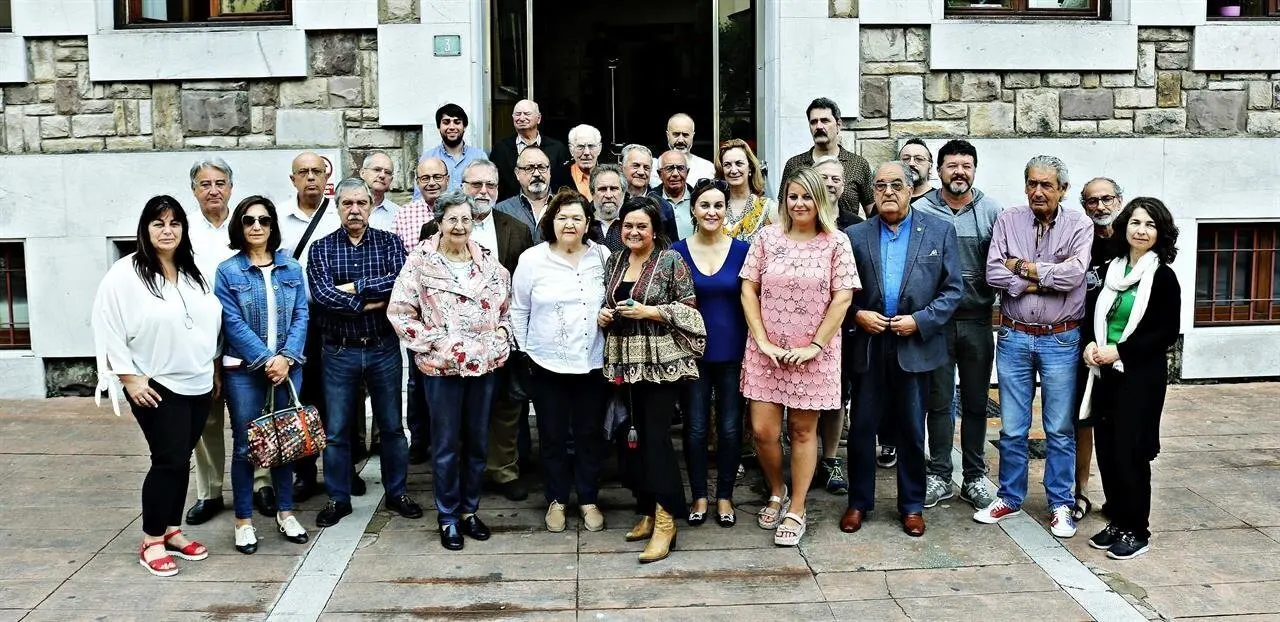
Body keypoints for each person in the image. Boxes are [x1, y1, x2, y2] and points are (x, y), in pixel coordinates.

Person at [92, 195, 222, 577]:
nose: (167, 231)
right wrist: (128, 377)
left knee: (182, 458)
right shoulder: (126, 273)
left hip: (198, 381)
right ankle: (151, 540)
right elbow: (107, 324)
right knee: (168, 460)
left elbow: (210, 322)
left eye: (174, 223)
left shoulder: (192, 270)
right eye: (158, 224)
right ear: (145, 229)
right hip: (155, 383)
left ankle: (171, 530)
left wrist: (214, 369)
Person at [841, 163, 963, 538]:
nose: (888, 192)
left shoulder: (939, 231)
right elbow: (838, 290)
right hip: (869, 343)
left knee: (912, 428)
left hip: (915, 343)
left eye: (896, 185)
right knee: (862, 428)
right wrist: (857, 315)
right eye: (880, 186)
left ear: (911, 190)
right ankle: (858, 502)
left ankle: (911, 505)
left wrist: (921, 321)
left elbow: (953, 290)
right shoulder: (855, 235)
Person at [389, 190, 514, 551]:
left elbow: (506, 310)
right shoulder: (420, 261)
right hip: (441, 368)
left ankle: (469, 511)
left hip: (484, 366)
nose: (459, 226)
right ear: (439, 222)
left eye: (466, 219)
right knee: (445, 445)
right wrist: (438, 344)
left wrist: (501, 337)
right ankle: (447, 517)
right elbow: (400, 313)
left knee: (477, 442)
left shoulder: (489, 263)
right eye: (452, 219)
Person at [976, 156, 1092, 540]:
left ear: (1063, 189)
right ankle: (1009, 497)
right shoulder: (1008, 219)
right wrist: (1043, 278)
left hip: (1061, 338)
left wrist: (1023, 269)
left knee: (1059, 428)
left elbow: (1074, 275)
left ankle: (1060, 503)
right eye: (1032, 184)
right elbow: (993, 271)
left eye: (1046, 185)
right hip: (1014, 336)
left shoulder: (1079, 224)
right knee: (1013, 427)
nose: (1038, 191)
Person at [741, 168, 858, 547]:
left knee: (803, 431)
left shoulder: (836, 243)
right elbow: (748, 289)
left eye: (807, 196)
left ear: (819, 200)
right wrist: (762, 340)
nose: (799, 203)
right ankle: (777, 489)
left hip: (813, 355)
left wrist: (815, 346)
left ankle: (798, 507)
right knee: (763, 431)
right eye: (793, 196)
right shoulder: (767, 237)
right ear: (784, 200)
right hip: (766, 352)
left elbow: (843, 297)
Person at [308, 178, 422, 528]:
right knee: (337, 430)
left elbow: (400, 283)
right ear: (337, 207)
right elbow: (322, 295)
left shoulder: (390, 242)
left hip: (382, 348)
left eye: (361, 203)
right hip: (339, 351)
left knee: (392, 427)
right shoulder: (321, 248)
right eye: (347, 203)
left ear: (371, 206)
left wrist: (354, 288)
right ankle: (338, 498)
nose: (355, 210)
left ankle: (397, 493)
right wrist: (369, 302)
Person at [598, 196, 706, 563]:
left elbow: (689, 309)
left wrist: (650, 311)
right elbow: (609, 301)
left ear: (655, 230)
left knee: (657, 439)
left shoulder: (671, 260)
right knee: (632, 440)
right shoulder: (614, 261)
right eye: (628, 226)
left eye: (641, 226)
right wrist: (604, 315)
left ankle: (666, 519)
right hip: (623, 362)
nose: (633, 231)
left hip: (660, 364)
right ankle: (645, 507)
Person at [428, 159, 535, 502]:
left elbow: (522, 286)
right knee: (458, 415)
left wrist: (508, 334)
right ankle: (460, 477)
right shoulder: (435, 230)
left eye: (490, 185)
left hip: (499, 340)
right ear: (462, 187)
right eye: (475, 185)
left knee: (506, 407)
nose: (483, 191)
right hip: (451, 349)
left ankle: (503, 470)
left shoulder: (516, 229)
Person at [1080, 197, 1181, 560]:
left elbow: (1165, 332)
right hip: (1104, 373)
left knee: (1131, 452)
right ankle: (1118, 521)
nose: (1141, 230)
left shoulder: (1163, 277)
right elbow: (1091, 314)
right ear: (1124, 227)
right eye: (1136, 223)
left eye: (1150, 225)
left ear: (1160, 233)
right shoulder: (1111, 270)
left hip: (1139, 378)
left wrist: (1120, 351)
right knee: (1108, 451)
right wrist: (1091, 345)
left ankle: (1137, 530)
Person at [214, 195, 310, 554]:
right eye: (249, 220)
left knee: (284, 442)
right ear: (239, 226)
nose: (257, 226)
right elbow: (232, 322)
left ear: (273, 226)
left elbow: (301, 314)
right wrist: (268, 360)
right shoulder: (228, 271)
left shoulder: (291, 268)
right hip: (244, 371)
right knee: (245, 445)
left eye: (264, 220)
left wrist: (286, 358)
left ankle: (286, 513)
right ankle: (243, 521)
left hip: (288, 368)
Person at [511, 187, 611, 533]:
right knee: (552, 435)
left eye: (577, 218)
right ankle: (556, 499)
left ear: (587, 222)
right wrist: (527, 352)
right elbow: (519, 310)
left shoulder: (602, 255)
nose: (569, 224)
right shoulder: (532, 259)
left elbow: (610, 300)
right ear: (551, 221)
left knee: (588, 434)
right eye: (562, 217)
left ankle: (588, 499)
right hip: (546, 364)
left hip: (592, 362)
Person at [914, 139, 1003, 511]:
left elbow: (1002, 263)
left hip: (976, 321)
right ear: (939, 170)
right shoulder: (921, 209)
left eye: (966, 166)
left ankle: (974, 476)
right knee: (938, 401)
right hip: (936, 324)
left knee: (976, 402)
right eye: (952, 165)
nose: (959, 172)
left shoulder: (992, 211)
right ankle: (938, 474)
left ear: (975, 170)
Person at [184, 157, 269, 525]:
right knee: (207, 418)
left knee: (255, 414)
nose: (213, 190)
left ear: (231, 188)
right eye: (205, 184)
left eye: (220, 183)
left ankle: (262, 483)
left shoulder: (246, 224)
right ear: (194, 191)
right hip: (201, 336)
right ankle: (210, 491)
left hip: (247, 335)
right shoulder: (185, 230)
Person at [672, 180, 750, 527]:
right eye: (705, 205)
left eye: (718, 205)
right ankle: (700, 495)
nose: (712, 212)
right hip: (692, 353)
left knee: (731, 428)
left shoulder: (743, 250)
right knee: (695, 428)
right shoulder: (676, 251)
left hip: (734, 352)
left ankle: (725, 496)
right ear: (693, 209)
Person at [279, 152, 345, 503]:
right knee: (301, 396)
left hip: (333, 315)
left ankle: (342, 472)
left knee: (338, 395)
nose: (310, 178)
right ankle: (304, 473)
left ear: (326, 176)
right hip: (294, 319)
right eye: (303, 172)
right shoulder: (278, 217)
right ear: (293, 179)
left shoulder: (338, 214)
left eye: (316, 172)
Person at [1073, 176, 1124, 522]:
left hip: (1119, 350)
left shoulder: (1132, 242)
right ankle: (1081, 492)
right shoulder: (1080, 241)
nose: (1100, 206)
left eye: (1106, 199)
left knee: (1117, 425)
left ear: (1119, 201)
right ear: (1084, 206)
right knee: (1083, 421)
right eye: (1092, 201)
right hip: (1082, 345)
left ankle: (1118, 496)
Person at [778, 97, 874, 229]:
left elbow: (872, 213)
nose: (818, 126)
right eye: (813, 122)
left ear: (838, 125)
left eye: (825, 121)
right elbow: (783, 212)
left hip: (848, 235)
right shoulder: (795, 165)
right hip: (804, 235)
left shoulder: (858, 164)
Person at [490, 99, 570, 201]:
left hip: (550, 205)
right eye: (518, 114)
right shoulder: (501, 148)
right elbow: (494, 182)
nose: (522, 118)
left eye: (527, 114)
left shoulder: (557, 148)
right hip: (511, 207)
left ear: (538, 118)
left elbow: (563, 184)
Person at [717, 138, 776, 243]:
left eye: (739, 163)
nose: (733, 170)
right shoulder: (714, 207)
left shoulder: (769, 208)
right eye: (727, 165)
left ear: (750, 167)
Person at [620, 143, 679, 242]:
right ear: (621, 167)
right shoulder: (612, 199)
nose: (641, 172)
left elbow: (672, 245)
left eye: (646, 168)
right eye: (636, 166)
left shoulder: (663, 207)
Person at [495, 145, 553, 242]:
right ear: (517, 173)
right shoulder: (502, 210)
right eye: (529, 168)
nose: (537, 174)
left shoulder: (564, 206)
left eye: (542, 167)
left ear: (549, 171)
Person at [421, 103, 483, 193]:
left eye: (457, 122)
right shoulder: (427, 158)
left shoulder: (479, 157)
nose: (452, 127)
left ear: (464, 127)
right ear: (439, 127)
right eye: (446, 122)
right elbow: (420, 196)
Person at [394, 157, 449, 253]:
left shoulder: (460, 210)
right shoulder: (403, 214)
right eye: (425, 178)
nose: (431, 183)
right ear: (417, 182)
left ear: (447, 180)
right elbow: (395, 253)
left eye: (437, 177)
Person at [648, 113, 716, 187]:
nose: (680, 140)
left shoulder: (707, 168)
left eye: (685, 135)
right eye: (676, 134)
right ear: (668, 135)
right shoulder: (652, 167)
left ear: (692, 136)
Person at [652, 151, 694, 240]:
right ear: (660, 174)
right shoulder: (651, 201)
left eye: (680, 168)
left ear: (687, 172)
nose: (675, 174)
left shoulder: (698, 199)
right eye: (669, 168)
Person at [590, 163, 627, 253]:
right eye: (602, 189)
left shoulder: (633, 224)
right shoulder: (583, 224)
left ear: (623, 193)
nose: (608, 195)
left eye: (613, 189)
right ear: (592, 193)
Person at [360, 151, 400, 232]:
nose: (382, 175)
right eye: (377, 170)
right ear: (362, 173)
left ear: (391, 179)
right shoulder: (341, 209)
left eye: (387, 172)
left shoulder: (398, 214)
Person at [568, 124, 603, 198]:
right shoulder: (558, 177)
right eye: (580, 146)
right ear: (571, 150)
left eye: (591, 146)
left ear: (599, 149)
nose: (586, 152)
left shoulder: (611, 176)